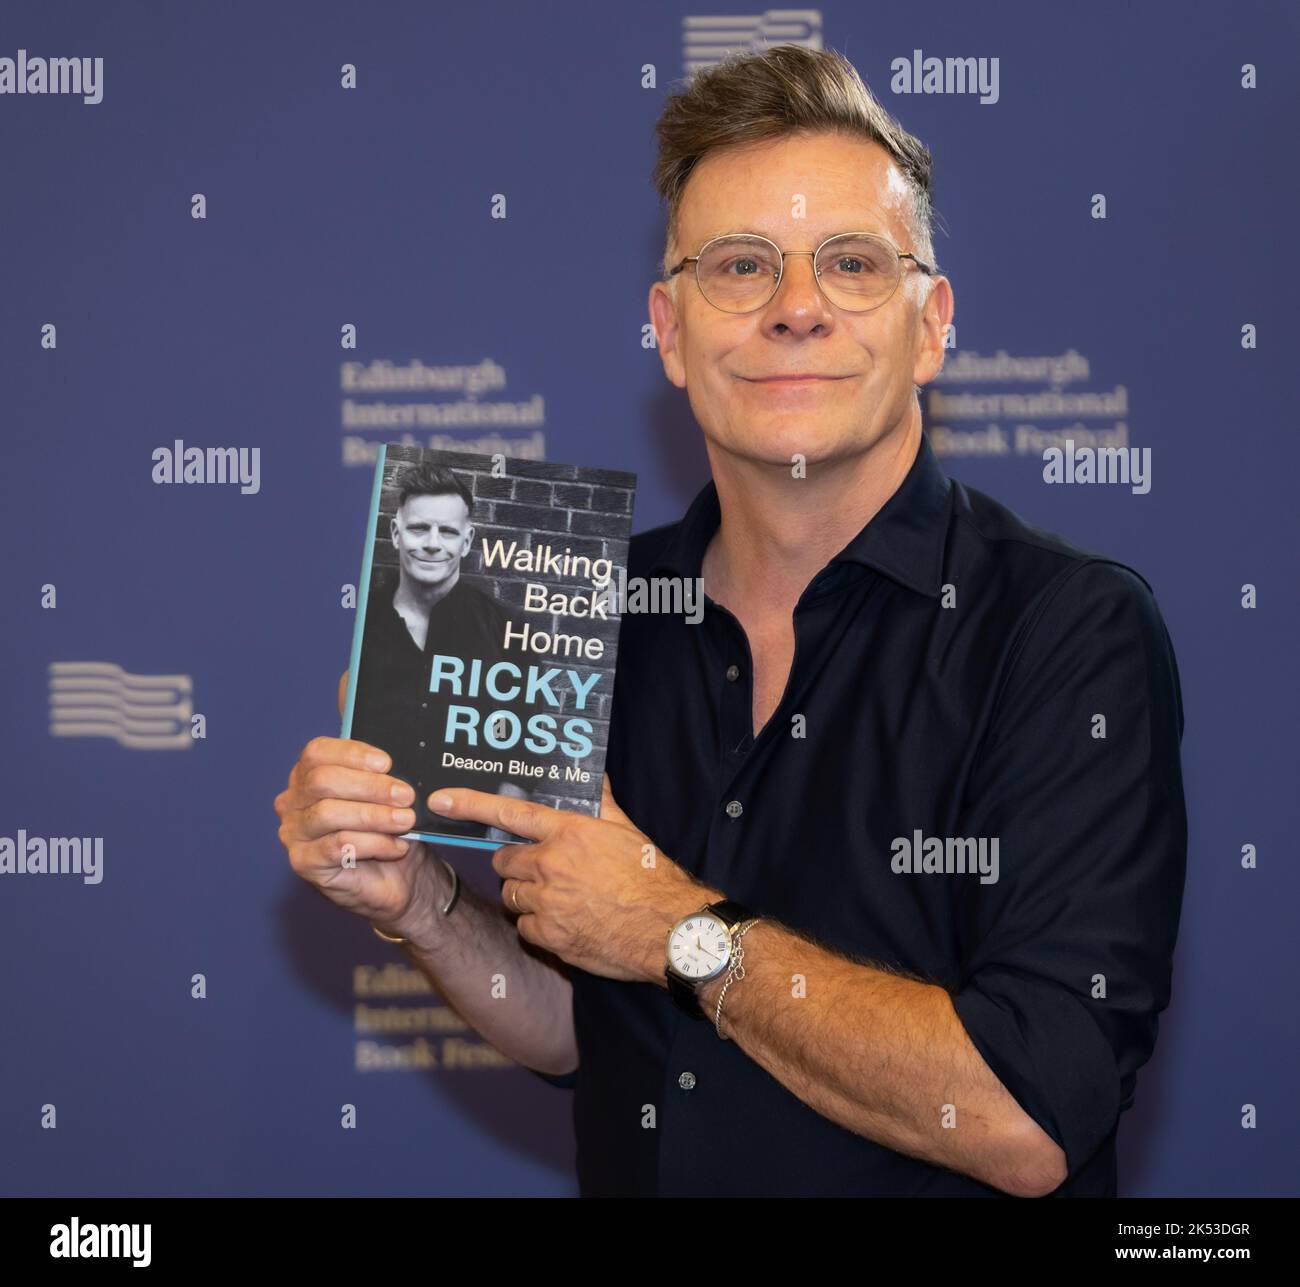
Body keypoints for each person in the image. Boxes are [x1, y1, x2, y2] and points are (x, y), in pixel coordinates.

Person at [275, 45, 1186, 1197]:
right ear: (667, 327)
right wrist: (422, 904)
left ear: (932, 324)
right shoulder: (583, 611)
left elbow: (1029, 1118)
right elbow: (584, 1028)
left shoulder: (1065, 630)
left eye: (851, 263)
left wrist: (679, 929)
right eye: (740, 266)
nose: (795, 308)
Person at [348, 461, 532, 841]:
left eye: (447, 531)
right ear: (396, 533)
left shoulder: (509, 633)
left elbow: (523, 757)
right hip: (371, 841)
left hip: (472, 851)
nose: (432, 543)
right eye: (419, 528)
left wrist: (494, 846)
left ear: (466, 541)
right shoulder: (359, 626)